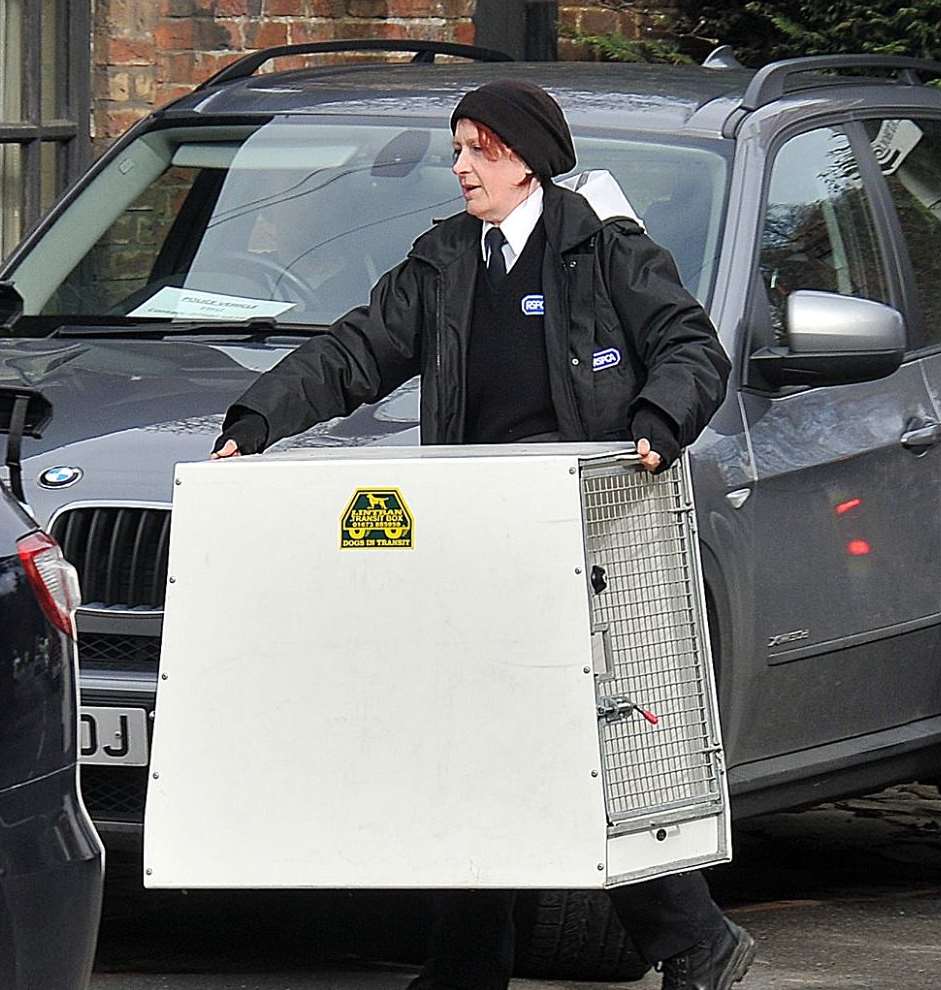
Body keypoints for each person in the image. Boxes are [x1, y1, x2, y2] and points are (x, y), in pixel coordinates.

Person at [210, 80, 752, 990]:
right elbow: (358, 350)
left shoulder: (606, 249)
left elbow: (693, 348)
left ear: (528, 160)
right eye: (458, 147)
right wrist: (259, 417)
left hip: (587, 532)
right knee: (478, 743)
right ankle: (473, 963)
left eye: (479, 150)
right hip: (477, 534)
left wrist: (659, 420)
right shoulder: (447, 259)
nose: (460, 166)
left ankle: (693, 939)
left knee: (585, 747)